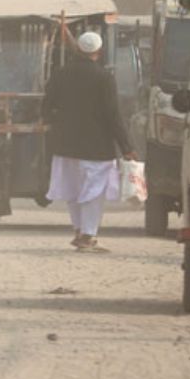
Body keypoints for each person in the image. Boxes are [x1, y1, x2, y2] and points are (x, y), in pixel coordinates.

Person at [43, 30, 138, 253]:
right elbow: (113, 115)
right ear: (99, 51)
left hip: (65, 144)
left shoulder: (60, 73)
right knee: (93, 192)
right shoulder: (104, 77)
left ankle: (79, 230)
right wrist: (127, 147)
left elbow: (47, 107)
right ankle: (88, 235)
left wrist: (54, 124)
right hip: (96, 147)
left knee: (74, 190)